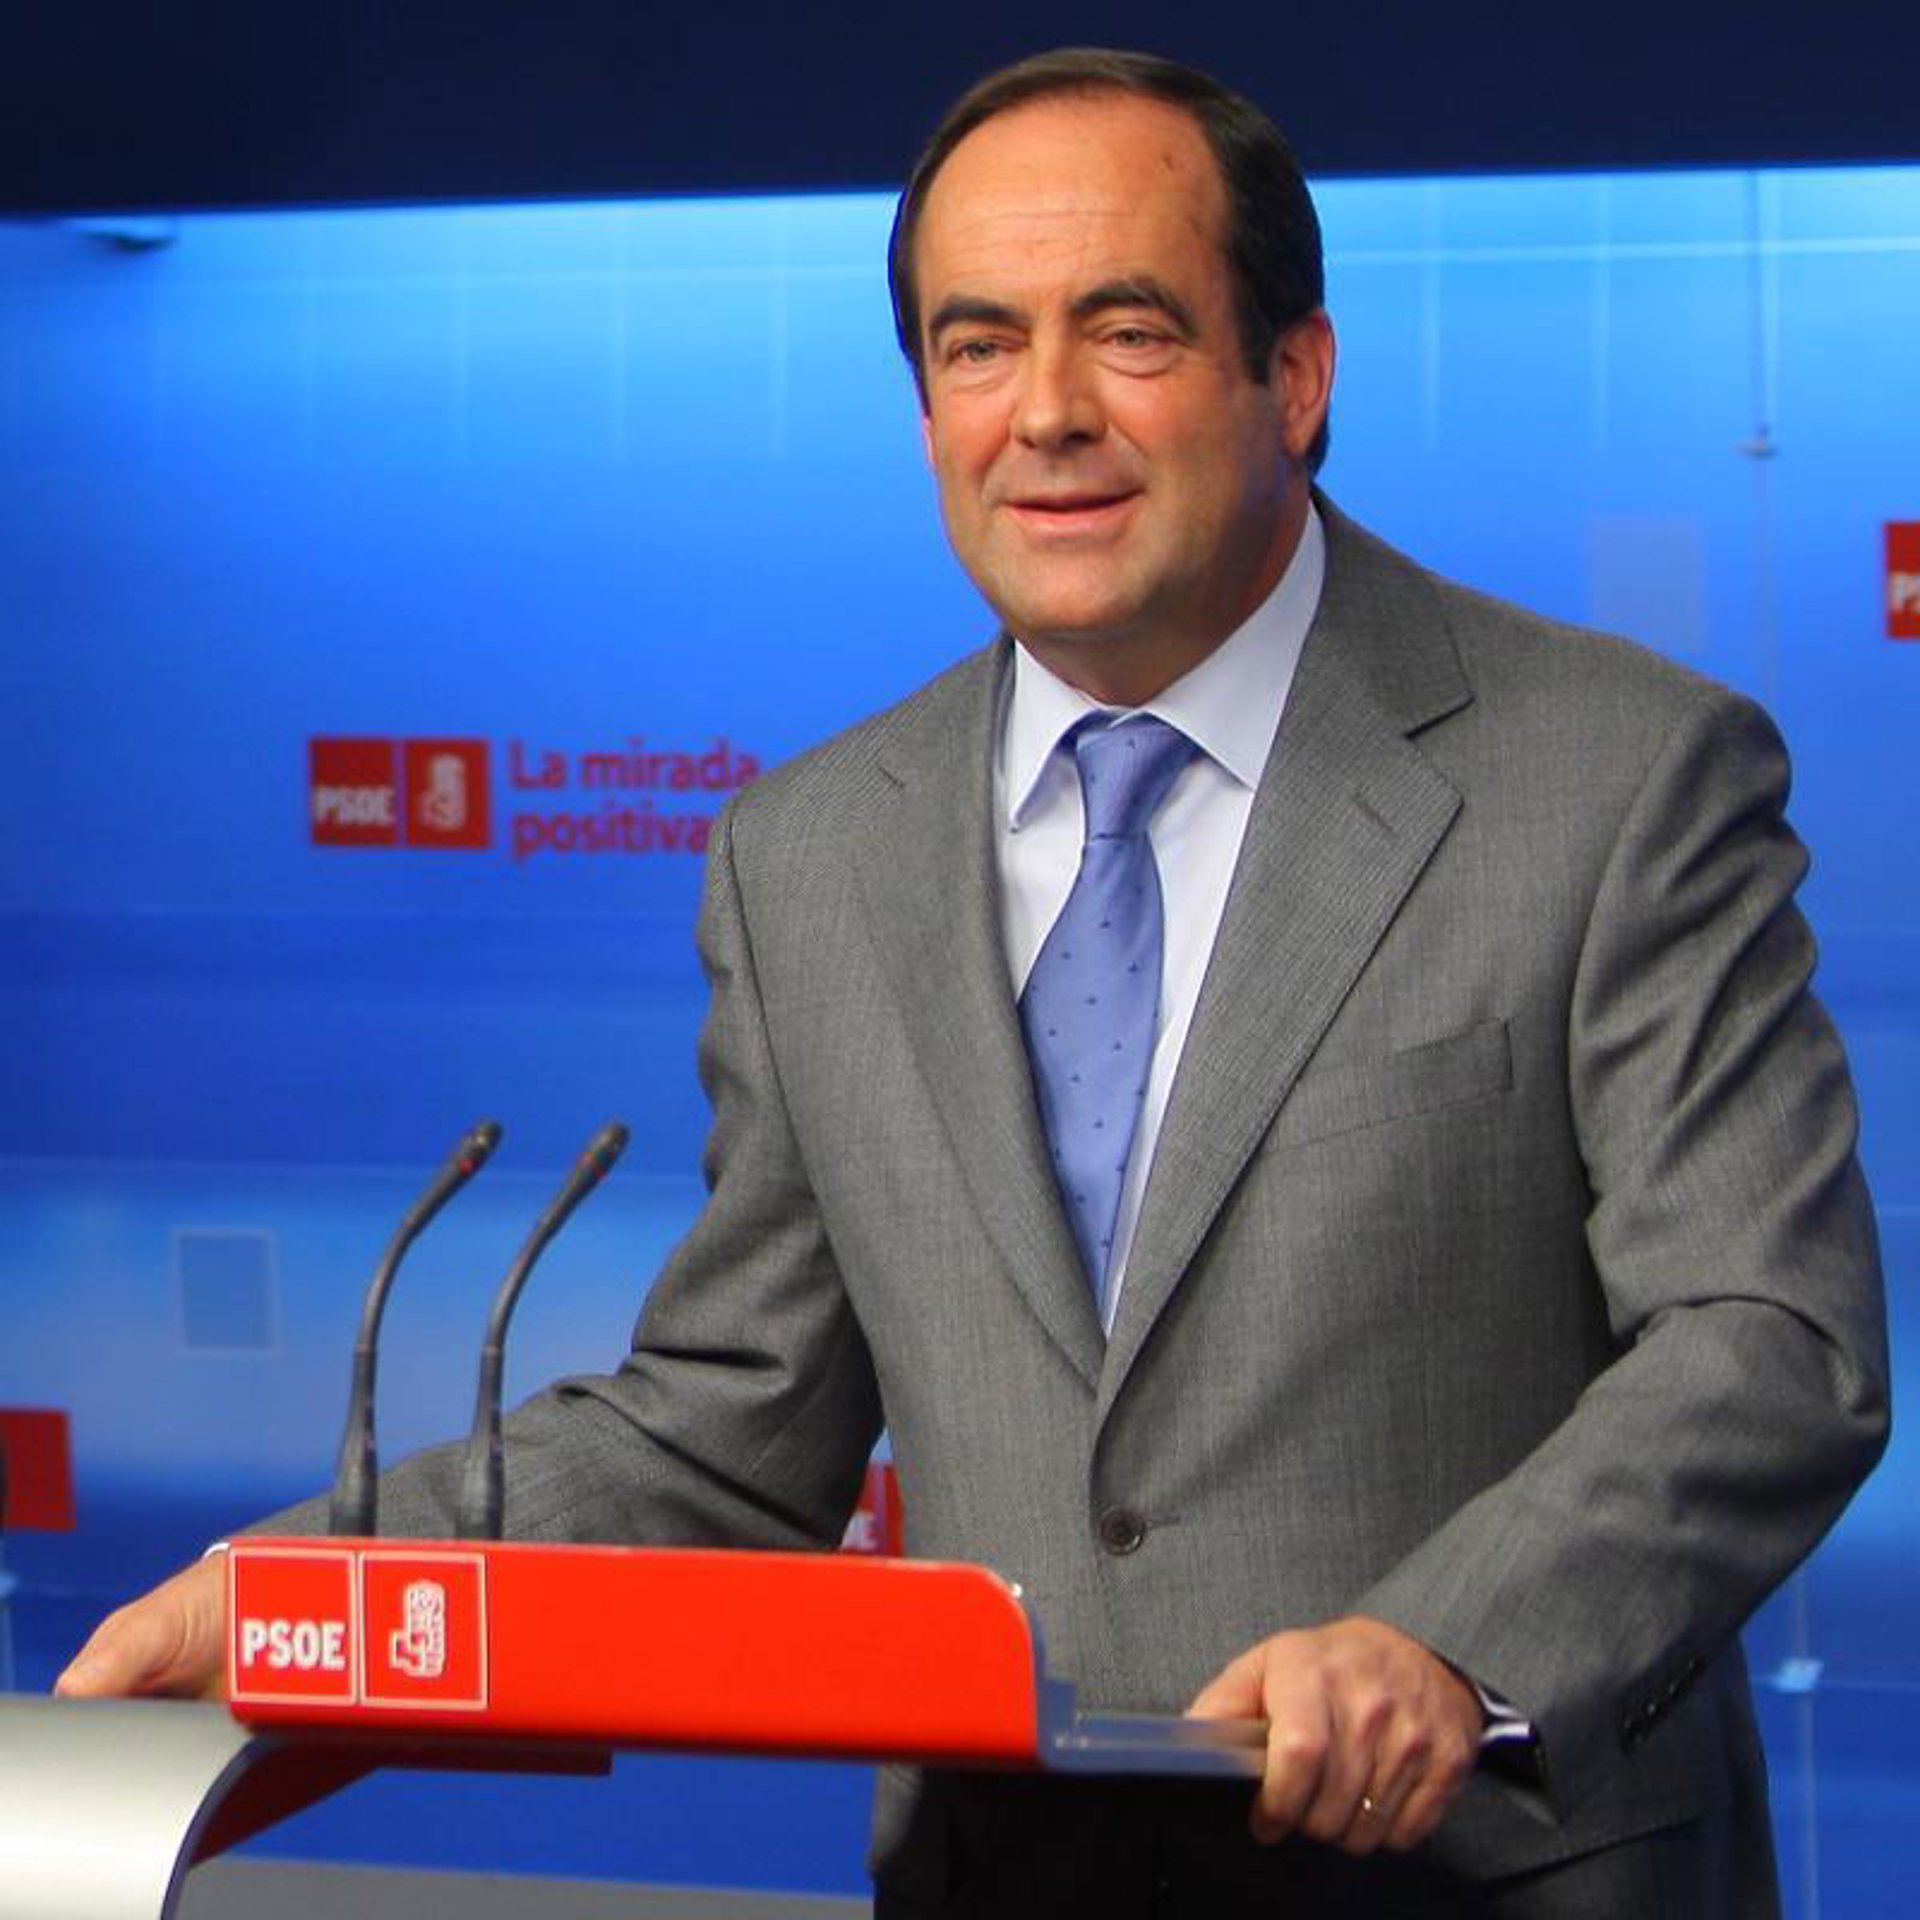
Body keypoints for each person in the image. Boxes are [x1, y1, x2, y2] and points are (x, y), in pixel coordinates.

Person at [59, 47, 1888, 1919]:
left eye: (1130, 332)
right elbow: (732, 1425)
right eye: (978, 345)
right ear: (928, 406)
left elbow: (1768, 1337)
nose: (1048, 414)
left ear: (1295, 377)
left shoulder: (1615, 775)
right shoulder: (809, 855)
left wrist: (1449, 1644)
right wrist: (303, 1590)